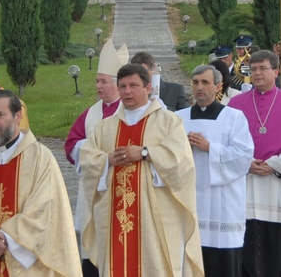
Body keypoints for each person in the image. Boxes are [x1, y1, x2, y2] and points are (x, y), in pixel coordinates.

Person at [80, 63, 204, 276]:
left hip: (154, 216)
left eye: (134, 85)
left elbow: (182, 164)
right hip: (113, 216)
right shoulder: (104, 127)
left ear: (148, 88)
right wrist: (107, 159)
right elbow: (87, 161)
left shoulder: (169, 122)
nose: (128, 91)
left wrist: (146, 153)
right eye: (123, 86)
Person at [0, 89, 81, 275]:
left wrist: (6, 240)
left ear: (18, 116)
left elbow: (45, 209)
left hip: (26, 265)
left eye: (0, 115)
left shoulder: (40, 157)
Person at [227, 50, 281, 277]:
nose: (257, 73)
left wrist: (274, 164)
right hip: (248, 181)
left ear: (276, 72)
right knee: (249, 240)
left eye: (262, 68)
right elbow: (226, 143)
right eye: (253, 69)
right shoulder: (236, 104)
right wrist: (246, 163)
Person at [177, 65, 254, 277]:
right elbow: (166, 157)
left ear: (218, 86)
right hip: (189, 198)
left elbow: (244, 156)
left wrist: (210, 147)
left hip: (223, 203)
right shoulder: (178, 118)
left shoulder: (234, 117)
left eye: (205, 82)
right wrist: (181, 147)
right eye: (195, 82)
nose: (199, 87)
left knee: (222, 264)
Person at [64, 38, 128, 276]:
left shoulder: (130, 111)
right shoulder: (90, 114)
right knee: (93, 247)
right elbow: (71, 145)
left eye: (103, 82)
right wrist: (95, 152)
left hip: (123, 187)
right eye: (97, 81)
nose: (98, 86)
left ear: (117, 84)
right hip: (94, 189)